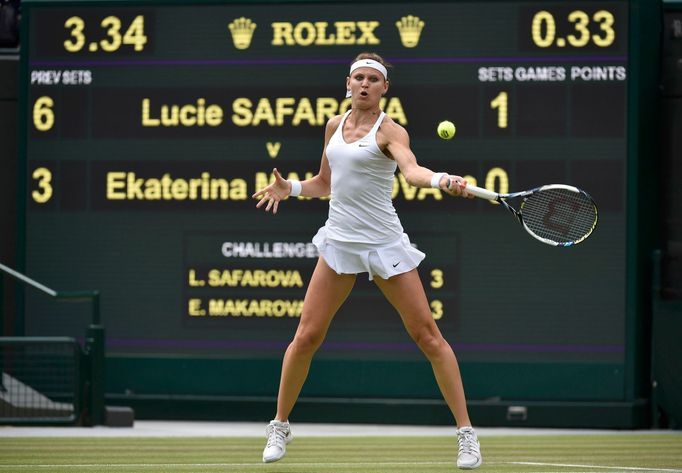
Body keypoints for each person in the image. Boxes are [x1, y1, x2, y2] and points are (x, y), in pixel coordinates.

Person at [251, 52, 482, 470]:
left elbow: (410, 172)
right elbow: (325, 183)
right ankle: (280, 424)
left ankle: (466, 434)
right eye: (358, 77)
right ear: (347, 82)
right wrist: (293, 189)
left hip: (383, 244)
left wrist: (440, 180)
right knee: (306, 336)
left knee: (428, 336)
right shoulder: (333, 126)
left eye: (373, 79)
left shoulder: (390, 131)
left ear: (384, 89)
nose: (364, 84)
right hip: (340, 242)